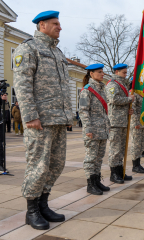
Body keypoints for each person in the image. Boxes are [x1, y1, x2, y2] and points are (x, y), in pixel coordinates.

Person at [13, 11, 73, 230]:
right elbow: (22, 85)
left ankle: (43, 204)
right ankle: (31, 211)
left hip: (58, 119)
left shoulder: (57, 52)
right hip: (40, 121)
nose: (60, 27)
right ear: (42, 25)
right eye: (55, 24)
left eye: (59, 23)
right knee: (38, 166)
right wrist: (30, 116)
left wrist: (68, 116)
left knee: (56, 165)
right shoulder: (28, 49)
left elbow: (64, 87)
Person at [79, 64, 110, 195]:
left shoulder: (102, 89)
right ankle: (90, 184)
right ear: (91, 74)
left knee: (99, 157)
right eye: (99, 72)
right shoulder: (87, 90)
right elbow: (83, 111)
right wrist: (88, 128)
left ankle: (97, 181)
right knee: (91, 158)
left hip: (102, 129)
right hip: (93, 129)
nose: (102, 74)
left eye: (103, 72)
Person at [105, 63, 135, 184]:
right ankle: (113, 174)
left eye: (126, 72)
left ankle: (120, 171)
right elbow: (113, 99)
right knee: (115, 149)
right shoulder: (112, 84)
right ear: (117, 72)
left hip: (123, 121)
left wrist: (128, 109)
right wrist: (129, 100)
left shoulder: (122, 84)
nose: (125, 74)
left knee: (121, 149)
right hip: (115, 122)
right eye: (123, 72)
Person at [129, 78, 144, 173]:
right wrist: (135, 122)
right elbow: (132, 110)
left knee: (141, 144)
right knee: (136, 144)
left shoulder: (142, 94)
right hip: (137, 123)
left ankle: (138, 164)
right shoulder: (133, 94)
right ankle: (135, 165)